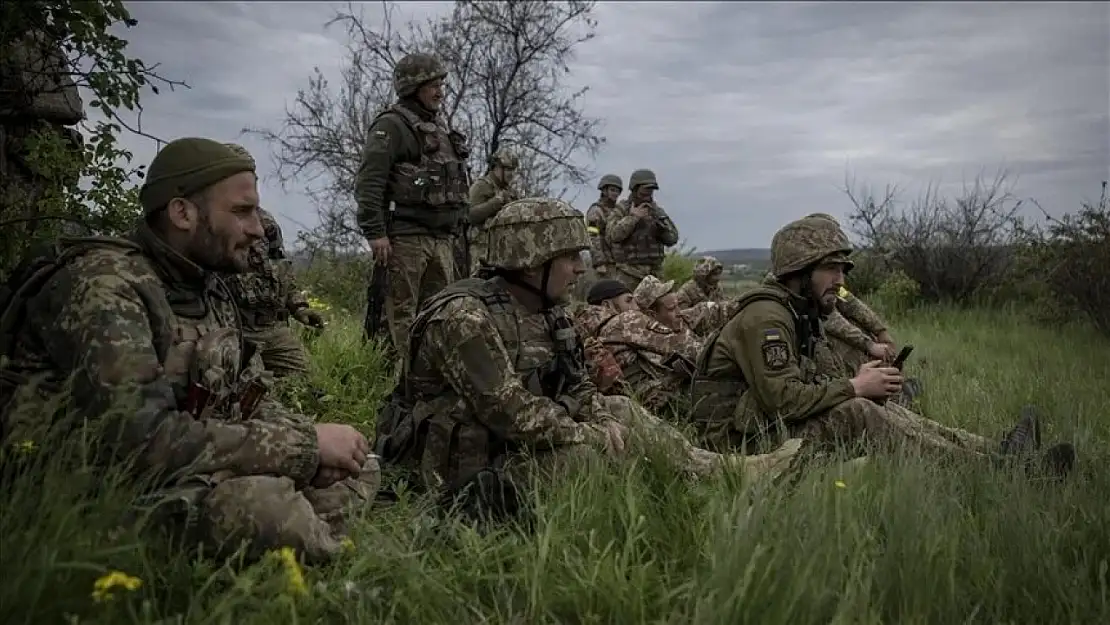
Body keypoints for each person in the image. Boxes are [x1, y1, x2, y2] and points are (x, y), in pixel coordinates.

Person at [0, 138, 379, 564]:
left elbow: (243, 399)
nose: (256, 228)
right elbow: (143, 440)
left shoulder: (207, 285)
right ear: (183, 213)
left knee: (358, 463)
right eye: (241, 211)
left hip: (180, 469)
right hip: (89, 486)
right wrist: (303, 447)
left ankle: (299, 541)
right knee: (265, 510)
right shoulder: (105, 286)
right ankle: (320, 552)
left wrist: (311, 451)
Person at [373, 198, 803, 518]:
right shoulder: (464, 318)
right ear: (530, 261)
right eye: (569, 257)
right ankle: (677, 504)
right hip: (454, 470)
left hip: (504, 447)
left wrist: (600, 419)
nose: (581, 269)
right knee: (588, 460)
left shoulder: (549, 311)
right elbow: (510, 412)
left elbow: (577, 385)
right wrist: (591, 436)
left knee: (619, 408)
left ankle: (728, 473)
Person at [687, 215, 1075, 479]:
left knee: (869, 402)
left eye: (842, 270)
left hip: (761, 426)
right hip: (739, 445)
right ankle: (999, 471)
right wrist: (855, 387)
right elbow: (782, 401)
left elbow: (809, 383)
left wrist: (864, 382)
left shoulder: (799, 310)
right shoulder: (767, 318)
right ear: (799, 273)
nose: (840, 281)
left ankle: (996, 450)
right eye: (831, 269)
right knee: (859, 408)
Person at [354, 52, 471, 351]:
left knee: (440, 314)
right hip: (406, 239)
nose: (440, 92)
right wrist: (375, 232)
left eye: (441, 84)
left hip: (442, 240)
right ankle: (400, 383)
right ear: (413, 87)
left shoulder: (439, 129)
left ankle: (428, 380)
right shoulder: (391, 126)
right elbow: (370, 181)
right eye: (433, 84)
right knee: (401, 317)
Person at [219, 144, 324, 379]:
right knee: (242, 390)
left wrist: (299, 307)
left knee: (310, 388)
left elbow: (281, 267)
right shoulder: (212, 225)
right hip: (232, 329)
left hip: (272, 328)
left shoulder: (265, 223)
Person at [603, 169, 679, 290]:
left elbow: (673, 238)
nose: (647, 196)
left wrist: (660, 227)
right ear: (634, 189)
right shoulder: (622, 209)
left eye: (650, 192)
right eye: (644, 192)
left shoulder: (656, 210)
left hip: (654, 274)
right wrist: (633, 218)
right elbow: (612, 236)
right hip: (628, 273)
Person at [466, 148, 519, 276]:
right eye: (507, 169)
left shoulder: (511, 192)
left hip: (503, 251)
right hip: (481, 250)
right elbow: (469, 215)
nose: (510, 174)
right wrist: (495, 203)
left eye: (513, 170)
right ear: (496, 168)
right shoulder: (481, 186)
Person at [585, 174, 622, 277]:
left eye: (617, 191)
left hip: (620, 263)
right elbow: (592, 236)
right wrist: (599, 262)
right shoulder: (596, 211)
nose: (615, 193)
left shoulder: (618, 211)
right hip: (606, 264)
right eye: (612, 190)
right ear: (604, 191)